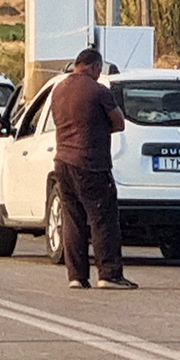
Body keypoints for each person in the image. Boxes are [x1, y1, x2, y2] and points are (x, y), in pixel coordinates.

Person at [51, 48, 136, 290]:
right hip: (90, 163)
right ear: (95, 67)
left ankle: (76, 276)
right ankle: (109, 274)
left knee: (73, 220)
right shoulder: (98, 90)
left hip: (62, 161)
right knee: (103, 219)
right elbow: (118, 122)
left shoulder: (59, 89)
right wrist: (98, 128)